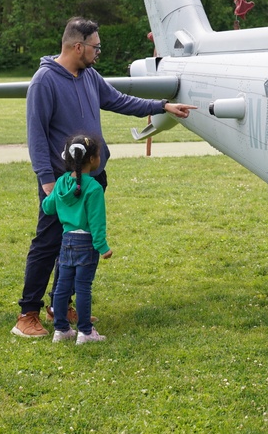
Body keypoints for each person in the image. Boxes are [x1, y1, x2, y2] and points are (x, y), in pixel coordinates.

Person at [11, 17, 197, 338]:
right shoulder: (44, 81)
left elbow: (120, 101)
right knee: (49, 242)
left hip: (93, 179)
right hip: (62, 183)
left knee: (78, 242)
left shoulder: (90, 76)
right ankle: (27, 314)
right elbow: (37, 135)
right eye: (95, 47)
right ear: (77, 46)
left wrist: (162, 105)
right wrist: (48, 182)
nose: (98, 52)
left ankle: (60, 305)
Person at [45, 134, 111, 344]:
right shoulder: (93, 188)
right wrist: (102, 247)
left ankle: (61, 329)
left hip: (66, 242)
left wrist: (51, 193)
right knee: (83, 287)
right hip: (86, 245)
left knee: (62, 286)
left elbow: (48, 208)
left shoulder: (62, 183)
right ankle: (85, 331)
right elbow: (96, 222)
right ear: (92, 160)